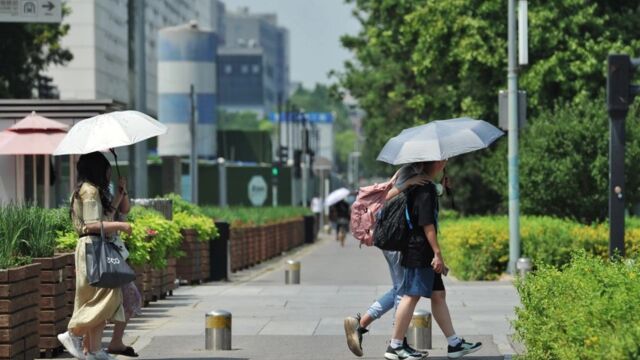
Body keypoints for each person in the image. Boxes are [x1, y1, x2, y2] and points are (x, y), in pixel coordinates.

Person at [345, 161, 482, 359]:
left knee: (425, 293)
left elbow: (422, 199)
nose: (445, 162)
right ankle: (397, 344)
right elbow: (393, 200)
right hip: (401, 239)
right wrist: (407, 184)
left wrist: (442, 188)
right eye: (442, 160)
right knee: (406, 293)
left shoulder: (422, 177)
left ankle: (449, 343)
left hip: (408, 240)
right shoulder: (411, 171)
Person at [57, 152, 131, 360]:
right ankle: (73, 333)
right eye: (107, 169)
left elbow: (101, 219)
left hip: (93, 246)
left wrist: (118, 197)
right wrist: (121, 225)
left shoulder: (91, 191)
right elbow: (91, 225)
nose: (109, 173)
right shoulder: (89, 191)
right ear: (97, 169)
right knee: (106, 294)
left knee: (96, 296)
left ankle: (95, 350)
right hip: (92, 247)